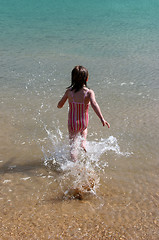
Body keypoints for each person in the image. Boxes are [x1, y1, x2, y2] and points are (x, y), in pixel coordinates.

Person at [57, 66, 110, 161]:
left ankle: (74, 163)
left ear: (72, 78)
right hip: (83, 122)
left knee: (73, 145)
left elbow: (60, 105)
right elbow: (94, 104)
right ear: (87, 78)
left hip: (72, 123)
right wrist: (102, 118)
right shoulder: (89, 93)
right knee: (84, 129)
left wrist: (59, 105)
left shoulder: (69, 92)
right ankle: (83, 143)